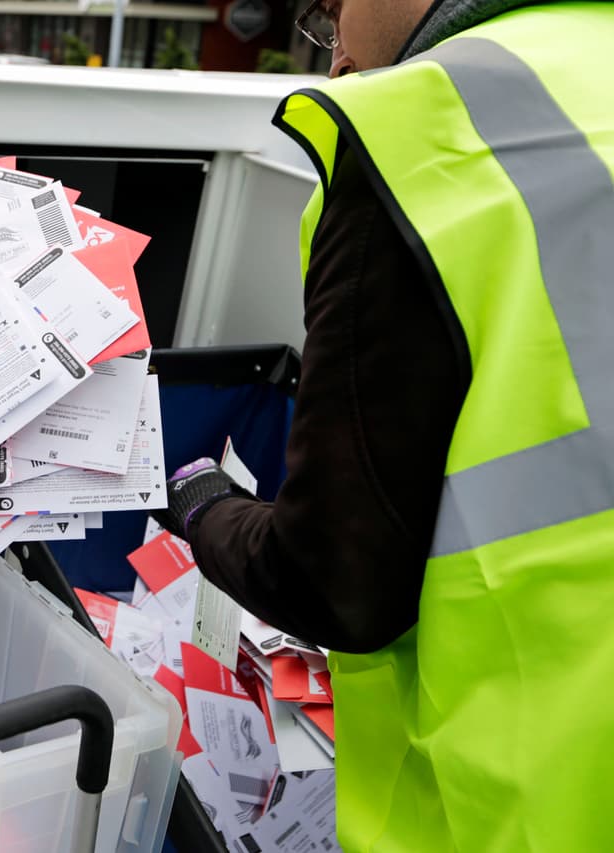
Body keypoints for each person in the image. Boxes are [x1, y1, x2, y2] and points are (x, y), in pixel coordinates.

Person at [155, 0, 614, 850]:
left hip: (518, 805)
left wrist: (200, 499)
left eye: (332, 14)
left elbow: (334, 585)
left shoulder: (415, 132)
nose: (334, 64)